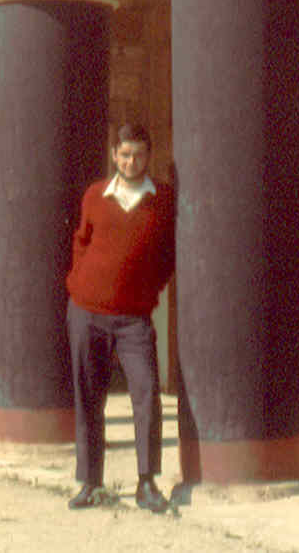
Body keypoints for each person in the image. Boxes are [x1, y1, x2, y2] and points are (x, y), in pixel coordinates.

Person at [65, 121, 175, 512]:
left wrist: (147, 291)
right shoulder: (95, 195)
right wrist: (80, 284)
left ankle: (146, 483)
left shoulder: (163, 199)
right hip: (87, 313)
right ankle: (90, 483)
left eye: (139, 155)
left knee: (146, 394)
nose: (131, 162)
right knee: (89, 398)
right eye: (125, 154)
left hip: (134, 320)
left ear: (149, 156)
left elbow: (167, 257)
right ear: (115, 155)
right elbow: (81, 242)